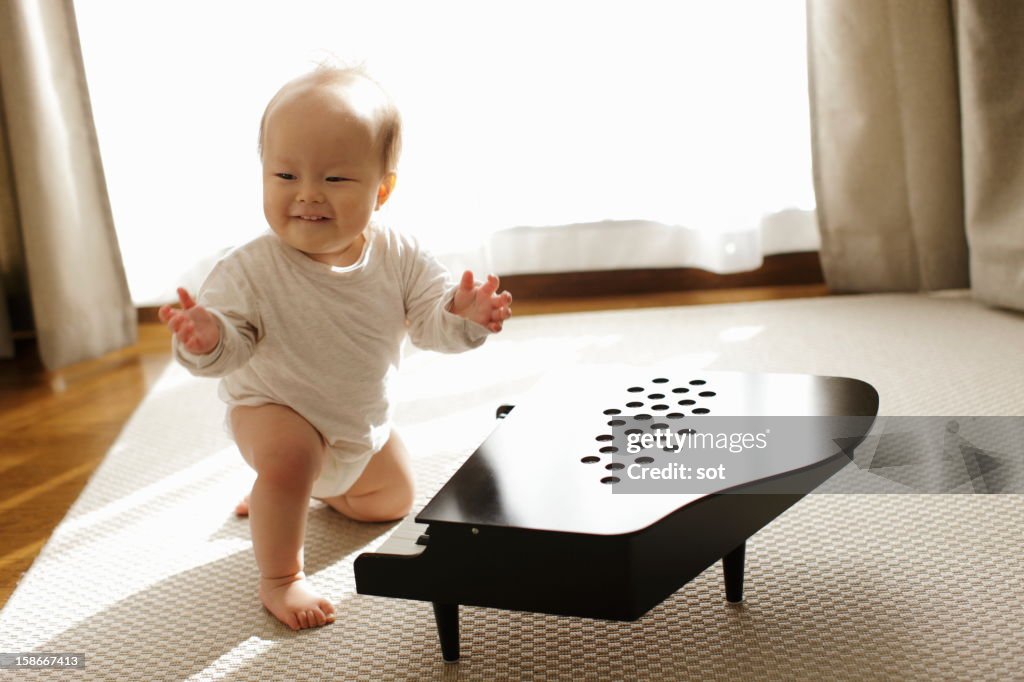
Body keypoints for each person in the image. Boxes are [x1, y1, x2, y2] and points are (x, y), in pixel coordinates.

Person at [158, 65, 512, 631]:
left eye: (337, 179)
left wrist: (460, 315)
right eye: (285, 174)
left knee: (392, 500)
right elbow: (229, 347)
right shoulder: (249, 268)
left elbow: (429, 322)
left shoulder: (400, 255)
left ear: (383, 189)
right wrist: (208, 338)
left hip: (356, 422)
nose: (308, 195)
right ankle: (280, 576)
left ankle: (288, 496)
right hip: (275, 409)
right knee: (292, 460)